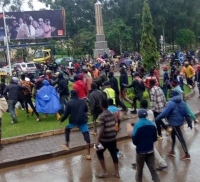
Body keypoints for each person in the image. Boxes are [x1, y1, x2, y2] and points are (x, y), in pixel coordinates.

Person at [131, 100, 168, 171]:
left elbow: (143, 122)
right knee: (147, 147)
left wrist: (134, 124)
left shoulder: (143, 113)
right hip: (152, 130)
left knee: (149, 148)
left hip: (145, 132)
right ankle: (137, 162)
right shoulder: (150, 111)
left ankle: (162, 163)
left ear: (141, 106)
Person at [155, 90, 192, 160]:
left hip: (174, 123)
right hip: (178, 122)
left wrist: (157, 119)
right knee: (173, 135)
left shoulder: (171, 103)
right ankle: (172, 151)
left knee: (181, 138)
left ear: (172, 96)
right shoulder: (183, 103)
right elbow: (187, 114)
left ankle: (187, 154)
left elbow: (164, 113)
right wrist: (189, 122)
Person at [60, 90, 91, 160]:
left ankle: (67, 144)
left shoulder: (69, 102)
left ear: (71, 95)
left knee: (67, 129)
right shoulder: (83, 101)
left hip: (73, 121)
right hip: (83, 120)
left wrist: (62, 120)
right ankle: (88, 154)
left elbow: (66, 114)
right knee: (86, 136)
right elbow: (86, 110)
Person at [132, 109, 160, 182]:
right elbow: (155, 138)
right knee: (153, 171)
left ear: (138, 115)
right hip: (150, 150)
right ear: (146, 115)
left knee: (139, 171)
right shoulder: (152, 124)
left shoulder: (137, 125)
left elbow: (134, 141)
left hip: (141, 152)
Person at [96, 99, 120, 178]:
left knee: (99, 152)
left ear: (101, 105)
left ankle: (104, 172)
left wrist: (97, 140)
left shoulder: (101, 116)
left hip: (105, 139)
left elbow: (102, 129)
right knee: (114, 154)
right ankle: (117, 173)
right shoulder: (112, 114)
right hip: (113, 137)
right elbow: (116, 123)